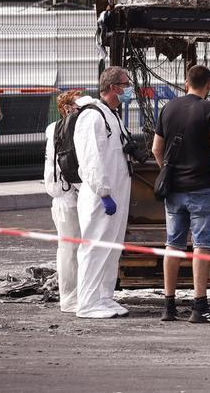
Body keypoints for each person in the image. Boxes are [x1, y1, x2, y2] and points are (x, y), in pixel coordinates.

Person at [151, 64, 210, 323]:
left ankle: (168, 306)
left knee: (172, 244)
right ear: (208, 85)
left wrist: (168, 172)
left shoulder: (168, 108)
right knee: (201, 246)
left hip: (174, 190)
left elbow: (155, 149)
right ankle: (199, 306)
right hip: (203, 187)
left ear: (186, 83)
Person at [73, 67, 134, 319]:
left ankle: (104, 297)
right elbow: (90, 158)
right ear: (113, 87)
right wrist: (103, 191)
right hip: (101, 196)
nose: (129, 88)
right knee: (95, 247)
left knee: (111, 248)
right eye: (125, 84)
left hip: (117, 192)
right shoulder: (93, 116)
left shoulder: (112, 115)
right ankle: (87, 302)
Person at [42, 89, 85, 313]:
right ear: (67, 109)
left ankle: (75, 295)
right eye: (77, 108)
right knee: (69, 250)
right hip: (66, 195)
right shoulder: (61, 130)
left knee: (73, 249)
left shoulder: (57, 129)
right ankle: (70, 298)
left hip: (66, 194)